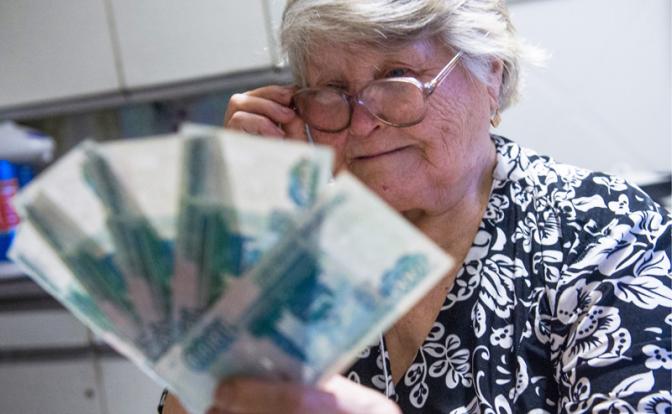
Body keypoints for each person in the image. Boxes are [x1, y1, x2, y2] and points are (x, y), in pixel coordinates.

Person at [162, 0, 672, 412]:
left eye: (398, 76)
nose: (363, 124)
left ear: (490, 76)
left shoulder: (608, 234)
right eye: (333, 91)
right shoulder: (306, 246)